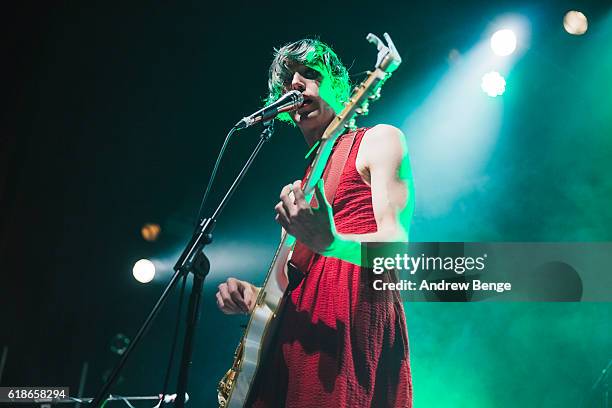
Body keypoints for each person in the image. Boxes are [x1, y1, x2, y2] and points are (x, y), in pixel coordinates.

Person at [215, 38, 415, 407]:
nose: (295, 84)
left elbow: (397, 248)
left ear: (340, 85)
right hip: (298, 338)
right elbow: (299, 286)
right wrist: (256, 300)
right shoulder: (303, 188)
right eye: (287, 80)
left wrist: (332, 242)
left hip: (347, 327)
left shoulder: (379, 140)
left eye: (310, 74)